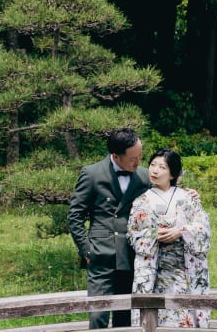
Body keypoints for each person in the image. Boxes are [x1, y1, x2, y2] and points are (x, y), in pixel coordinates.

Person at [68, 127, 149, 328]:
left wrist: (190, 193)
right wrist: (86, 249)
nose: (138, 162)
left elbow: (168, 191)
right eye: (133, 158)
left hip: (132, 254)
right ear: (115, 156)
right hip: (101, 254)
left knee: (125, 318)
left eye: (140, 156)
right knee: (98, 316)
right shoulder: (92, 174)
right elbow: (75, 214)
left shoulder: (145, 176)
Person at [127, 148, 211, 329]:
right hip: (155, 272)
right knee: (154, 317)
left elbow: (203, 228)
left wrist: (181, 231)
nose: (155, 171)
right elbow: (133, 233)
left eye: (162, 167)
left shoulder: (188, 197)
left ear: (173, 173)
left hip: (183, 270)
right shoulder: (142, 200)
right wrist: (154, 235)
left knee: (183, 317)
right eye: (152, 165)